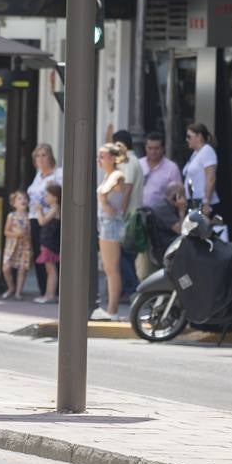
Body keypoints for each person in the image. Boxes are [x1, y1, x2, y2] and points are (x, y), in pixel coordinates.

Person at [136, 131, 182, 280]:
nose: (153, 151)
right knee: (141, 260)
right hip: (140, 218)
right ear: (145, 148)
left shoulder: (171, 168)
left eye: (156, 148)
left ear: (162, 148)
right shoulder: (139, 164)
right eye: (150, 148)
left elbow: (178, 192)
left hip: (161, 221)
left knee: (157, 258)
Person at [91, 144, 130, 321]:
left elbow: (106, 191)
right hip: (106, 222)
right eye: (99, 156)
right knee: (109, 269)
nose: (99, 160)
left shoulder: (117, 174)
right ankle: (110, 309)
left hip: (111, 223)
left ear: (113, 158)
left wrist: (102, 196)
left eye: (102, 156)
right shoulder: (110, 174)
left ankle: (112, 311)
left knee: (112, 269)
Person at [26, 143, 62, 298]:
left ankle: (56, 292)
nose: (40, 159)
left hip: (50, 220)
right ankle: (43, 290)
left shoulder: (58, 174)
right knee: (39, 256)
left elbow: (60, 197)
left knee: (52, 256)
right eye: (37, 155)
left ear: (51, 156)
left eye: (44, 155)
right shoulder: (38, 175)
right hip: (35, 218)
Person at [110, 129, 142, 298]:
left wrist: (120, 213)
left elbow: (127, 189)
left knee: (120, 255)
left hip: (128, 215)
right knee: (126, 255)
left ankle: (133, 288)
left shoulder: (128, 162)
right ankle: (126, 289)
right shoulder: (134, 160)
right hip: (133, 214)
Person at [32, 182, 61, 304]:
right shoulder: (53, 209)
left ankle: (50, 295)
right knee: (50, 269)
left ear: (55, 197)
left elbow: (42, 222)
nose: (45, 198)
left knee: (51, 270)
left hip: (50, 243)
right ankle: (48, 294)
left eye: (47, 195)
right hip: (47, 241)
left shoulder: (55, 208)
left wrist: (38, 211)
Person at [182, 122, 220, 215]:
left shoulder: (207, 151)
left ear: (199, 136)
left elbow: (211, 178)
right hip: (193, 201)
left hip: (202, 202)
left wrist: (206, 202)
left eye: (189, 136)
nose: (186, 139)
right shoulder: (195, 153)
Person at [1, 191, 32, 300]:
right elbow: (6, 232)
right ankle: (11, 288)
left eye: (24, 198)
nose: (23, 200)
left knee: (22, 270)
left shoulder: (30, 216)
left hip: (24, 246)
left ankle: (18, 292)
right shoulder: (11, 216)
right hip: (11, 246)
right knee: (6, 268)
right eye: (19, 199)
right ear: (14, 203)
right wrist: (16, 234)